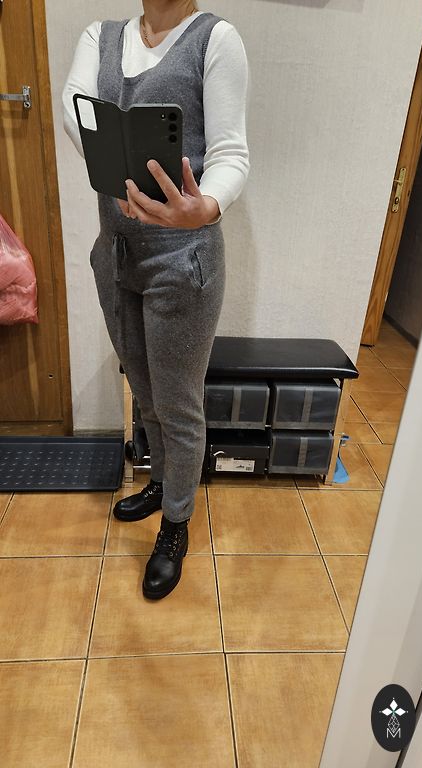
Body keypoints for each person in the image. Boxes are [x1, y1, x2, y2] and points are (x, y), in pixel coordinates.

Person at [62, 0, 250, 600]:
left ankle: (176, 523)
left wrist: (207, 206)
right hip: (116, 254)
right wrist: (115, 159)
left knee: (178, 401)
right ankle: (162, 481)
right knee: (143, 388)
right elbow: (75, 110)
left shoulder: (216, 40)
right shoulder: (100, 37)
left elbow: (231, 153)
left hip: (183, 259)